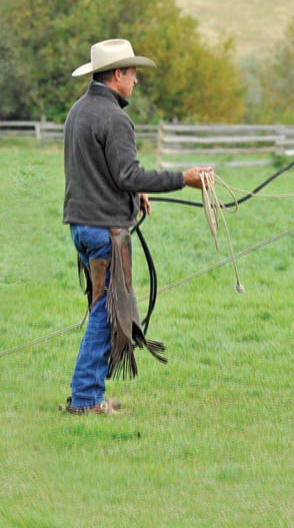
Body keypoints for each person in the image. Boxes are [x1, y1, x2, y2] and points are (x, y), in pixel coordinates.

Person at [60, 38, 213, 416]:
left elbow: (99, 172)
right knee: (107, 314)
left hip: (81, 226)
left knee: (101, 310)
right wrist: (184, 178)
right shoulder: (115, 118)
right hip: (105, 231)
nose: (136, 82)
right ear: (116, 76)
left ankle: (86, 393)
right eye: (132, 74)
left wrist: (135, 192)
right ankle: (86, 399)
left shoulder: (78, 111)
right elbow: (127, 174)